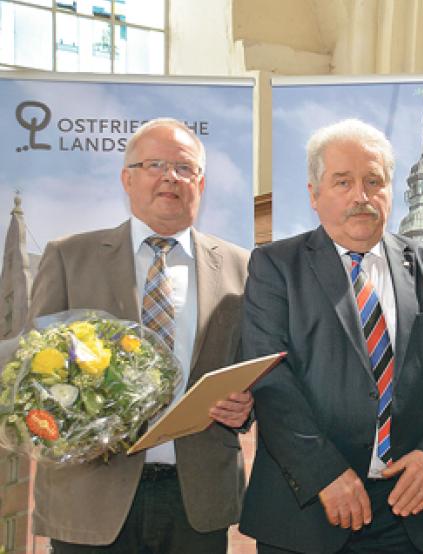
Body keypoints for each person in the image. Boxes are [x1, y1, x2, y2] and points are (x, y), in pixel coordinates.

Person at [238, 118, 423, 554]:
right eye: (343, 182)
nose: (361, 196)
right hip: (306, 510)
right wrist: (324, 473)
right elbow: (271, 381)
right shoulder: (274, 267)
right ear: (314, 194)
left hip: (404, 511)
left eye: (374, 181)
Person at [28, 118, 254, 553]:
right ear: (126, 179)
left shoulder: (242, 267)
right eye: (154, 164)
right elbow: (35, 372)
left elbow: (254, 372)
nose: (170, 176)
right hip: (90, 497)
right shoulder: (68, 257)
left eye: (184, 168)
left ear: (201, 184)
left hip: (196, 499)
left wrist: (248, 404)